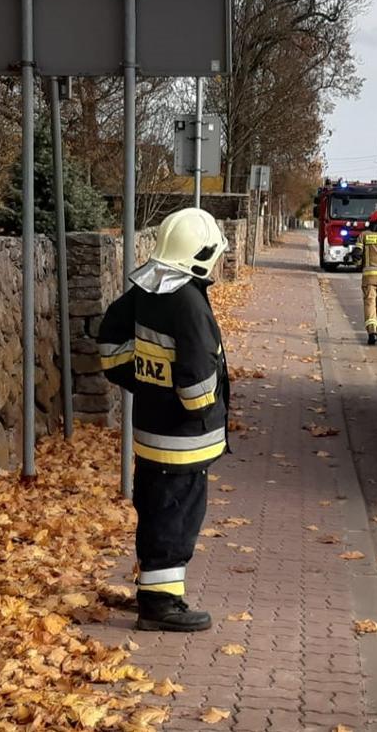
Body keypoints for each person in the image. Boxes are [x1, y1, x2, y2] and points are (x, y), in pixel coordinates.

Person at [96, 208, 231, 632]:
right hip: (184, 440)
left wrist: (139, 380)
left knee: (155, 512)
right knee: (177, 520)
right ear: (201, 254)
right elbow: (197, 375)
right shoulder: (189, 302)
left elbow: (110, 347)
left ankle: (153, 592)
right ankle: (161, 605)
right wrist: (203, 410)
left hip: (151, 433)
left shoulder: (145, 290)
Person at [362, 209, 377, 344]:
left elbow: (357, 254)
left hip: (369, 277)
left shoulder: (364, 235)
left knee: (369, 303)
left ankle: (372, 332)